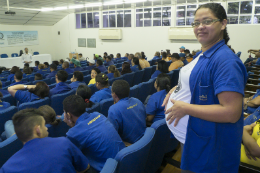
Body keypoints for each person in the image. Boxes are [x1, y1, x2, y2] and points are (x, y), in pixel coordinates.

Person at [163, 3, 247, 173]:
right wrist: (177, 89)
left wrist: (184, 107)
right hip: (196, 139)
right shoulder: (205, 53)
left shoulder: (225, 61)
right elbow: (198, 80)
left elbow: (231, 112)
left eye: (207, 21)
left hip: (212, 148)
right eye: (196, 23)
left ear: (223, 24)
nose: (200, 27)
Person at [0, 108, 90, 173]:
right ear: (38, 130)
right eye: (44, 125)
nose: (46, 129)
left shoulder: (6, 168)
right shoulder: (63, 142)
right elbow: (85, 168)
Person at [63, 95, 125, 172]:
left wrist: (72, 126)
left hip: (106, 169)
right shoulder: (98, 114)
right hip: (124, 162)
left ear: (68, 115)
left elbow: (73, 159)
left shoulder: (73, 133)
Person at [108, 80, 146, 144]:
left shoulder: (113, 109)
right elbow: (145, 117)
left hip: (130, 146)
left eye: (111, 92)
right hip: (145, 140)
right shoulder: (137, 101)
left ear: (114, 95)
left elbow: (112, 135)